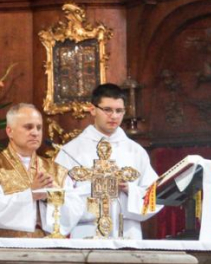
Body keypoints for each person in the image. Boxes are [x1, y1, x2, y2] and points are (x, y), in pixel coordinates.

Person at [55, 83, 161, 239]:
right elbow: (59, 197)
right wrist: (94, 189)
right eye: (107, 110)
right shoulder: (71, 151)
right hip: (87, 231)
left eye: (119, 111)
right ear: (93, 110)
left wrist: (129, 189)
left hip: (127, 231)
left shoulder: (135, 151)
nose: (114, 116)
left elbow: (154, 196)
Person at [0, 103, 67, 238]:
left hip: (48, 248)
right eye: (28, 127)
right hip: (6, 247)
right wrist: (30, 195)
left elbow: (72, 211)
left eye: (39, 128)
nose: (35, 132)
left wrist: (50, 198)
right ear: (10, 131)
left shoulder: (56, 171)